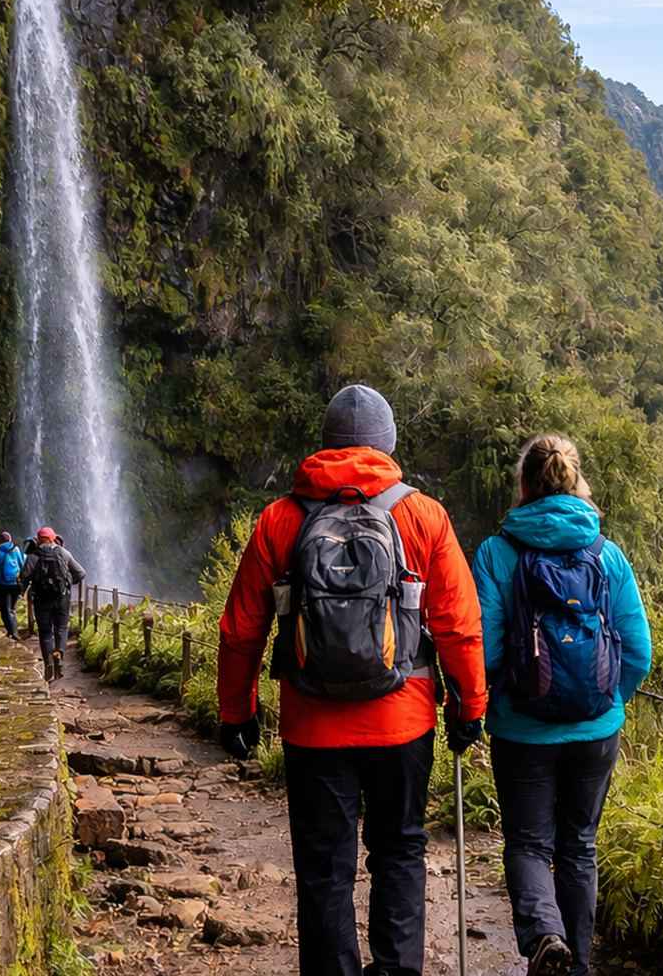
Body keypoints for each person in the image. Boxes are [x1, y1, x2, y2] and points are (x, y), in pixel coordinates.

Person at [216, 384, 489, 976]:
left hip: (312, 726)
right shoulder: (423, 515)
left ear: (326, 443)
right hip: (403, 721)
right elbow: (459, 625)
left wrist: (236, 710)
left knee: (324, 867)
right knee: (400, 851)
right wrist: (470, 706)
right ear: (387, 444)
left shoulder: (280, 519)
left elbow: (241, 629)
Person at [471, 435, 652, 976]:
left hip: (522, 730)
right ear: (577, 482)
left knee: (528, 844)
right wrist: (607, 702)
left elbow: (487, 650)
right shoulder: (606, 553)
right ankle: (577, 966)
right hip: (595, 731)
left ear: (524, 484)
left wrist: (493, 699)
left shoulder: (497, 553)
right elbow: (638, 651)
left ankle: (545, 936)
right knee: (579, 846)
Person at [18, 526, 84, 681]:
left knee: (45, 632)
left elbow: (24, 577)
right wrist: (68, 583)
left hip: (41, 599)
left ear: (38, 539)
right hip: (62, 598)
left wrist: (21, 592)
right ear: (54, 538)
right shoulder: (64, 553)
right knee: (61, 628)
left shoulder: (33, 555)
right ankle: (59, 655)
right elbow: (81, 573)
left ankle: (48, 663)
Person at [0, 531, 26, 638]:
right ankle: (13, 631)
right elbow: (22, 564)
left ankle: (12, 632)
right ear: (10, 540)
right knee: (12, 609)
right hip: (15, 584)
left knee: (5, 609)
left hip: (2, 584)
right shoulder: (16, 549)